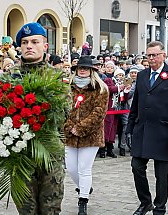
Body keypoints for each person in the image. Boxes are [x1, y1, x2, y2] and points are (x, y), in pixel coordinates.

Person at [126, 41, 168, 215]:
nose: (151, 58)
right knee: (137, 167)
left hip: (164, 133)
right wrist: (129, 128)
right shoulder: (143, 75)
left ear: (163, 56)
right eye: (148, 55)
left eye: (154, 55)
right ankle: (145, 202)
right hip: (142, 131)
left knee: (161, 175)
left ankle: (160, 207)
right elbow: (135, 105)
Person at [13, 22, 65, 215]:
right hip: (19, 157)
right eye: (25, 42)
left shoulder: (57, 77)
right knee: (26, 210)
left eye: (34, 41)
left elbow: (64, 114)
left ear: (45, 46)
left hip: (49, 157)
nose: (29, 46)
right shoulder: (10, 77)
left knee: (50, 209)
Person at [64, 55, 108, 215]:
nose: (82, 70)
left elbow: (98, 113)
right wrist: (70, 127)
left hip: (91, 136)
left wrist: (80, 128)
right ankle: (85, 187)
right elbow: (62, 110)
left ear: (91, 70)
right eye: (79, 68)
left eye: (85, 68)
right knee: (71, 168)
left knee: (84, 168)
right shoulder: (67, 87)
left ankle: (83, 200)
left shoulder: (100, 89)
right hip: (69, 134)